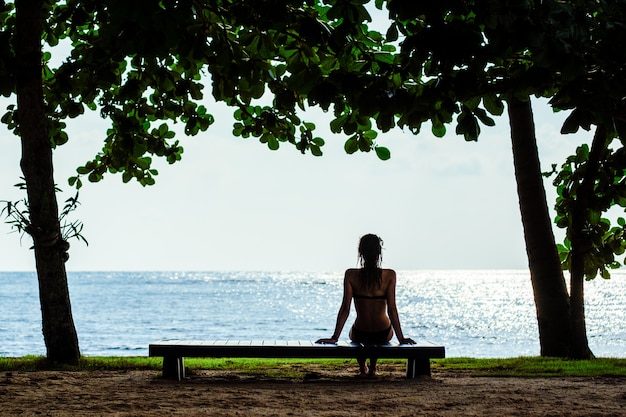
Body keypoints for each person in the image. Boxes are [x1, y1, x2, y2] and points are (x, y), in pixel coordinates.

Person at [316, 233, 415, 376]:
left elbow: (345, 309)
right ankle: (373, 367)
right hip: (383, 333)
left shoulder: (351, 275)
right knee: (378, 333)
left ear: (360, 252)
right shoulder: (389, 275)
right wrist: (401, 338)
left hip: (360, 333)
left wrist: (335, 337)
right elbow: (392, 310)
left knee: (354, 332)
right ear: (379, 252)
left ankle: (363, 367)